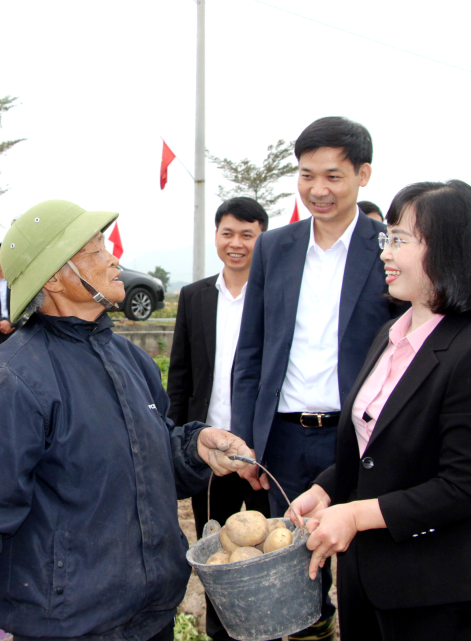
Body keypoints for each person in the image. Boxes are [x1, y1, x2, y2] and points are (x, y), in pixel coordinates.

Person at [0, 199, 260, 641]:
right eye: (96, 250)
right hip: (70, 622)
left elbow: (146, 463)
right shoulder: (15, 378)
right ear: (57, 277)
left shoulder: (131, 360)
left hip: (152, 615)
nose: (113, 259)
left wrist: (193, 447)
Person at [287, 180, 471, 641]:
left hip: (430, 578)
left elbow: (462, 488)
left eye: (399, 240)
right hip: (365, 571)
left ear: (450, 250)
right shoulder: (391, 335)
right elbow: (375, 444)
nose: (385, 254)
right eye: (385, 239)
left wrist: (355, 515)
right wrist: (328, 488)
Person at [231, 116, 399, 640]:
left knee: (363, 560)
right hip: (282, 436)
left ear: (363, 175)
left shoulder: (388, 249)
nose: (318, 190)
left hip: (357, 437)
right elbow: (251, 352)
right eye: (307, 176)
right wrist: (247, 442)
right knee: (291, 567)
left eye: (333, 176)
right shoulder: (275, 248)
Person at [166, 197, 269, 641]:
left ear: (262, 237)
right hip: (211, 452)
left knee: (270, 548)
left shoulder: (274, 295)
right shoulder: (194, 296)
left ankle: (270, 627)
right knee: (214, 547)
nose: (237, 243)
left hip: (263, 453)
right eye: (228, 233)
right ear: (216, 235)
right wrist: (174, 435)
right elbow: (181, 373)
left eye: (248, 234)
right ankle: (221, 631)